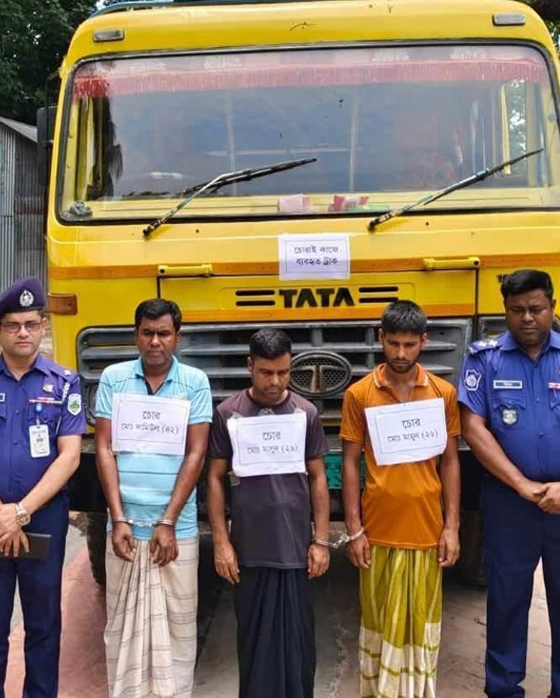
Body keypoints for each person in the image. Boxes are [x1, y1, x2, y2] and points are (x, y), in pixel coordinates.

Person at [457, 268, 560, 698]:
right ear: (505, 312)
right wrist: (519, 484)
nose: (527, 318)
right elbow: (473, 427)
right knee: (507, 598)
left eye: (536, 309)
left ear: (551, 306)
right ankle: (503, 687)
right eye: (516, 311)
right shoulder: (484, 359)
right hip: (509, 503)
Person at [0, 277, 84, 698]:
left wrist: (20, 512)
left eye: (31, 323)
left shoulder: (63, 383)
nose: (23, 332)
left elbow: (70, 457)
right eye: (13, 325)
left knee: (43, 622)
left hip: (42, 519)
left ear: (43, 326)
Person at [341, 300, 462, 697]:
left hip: (427, 531)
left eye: (410, 345)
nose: (400, 354)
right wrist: (354, 530)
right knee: (379, 625)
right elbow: (350, 464)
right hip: (378, 532)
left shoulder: (442, 394)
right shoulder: (360, 394)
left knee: (420, 624)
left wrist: (452, 527)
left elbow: (449, 463)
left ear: (424, 342)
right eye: (393, 343)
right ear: (381, 338)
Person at [94, 298, 213, 698]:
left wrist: (167, 521)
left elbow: (196, 453)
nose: (155, 342)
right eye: (147, 333)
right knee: (122, 628)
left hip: (174, 530)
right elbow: (105, 447)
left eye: (164, 333)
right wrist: (118, 518)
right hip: (125, 528)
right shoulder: (113, 378)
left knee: (178, 628)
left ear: (178, 337)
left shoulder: (195, 383)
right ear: (136, 336)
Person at [205, 328, 330, 698]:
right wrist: (221, 543)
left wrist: (321, 541)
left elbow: (319, 478)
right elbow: (214, 479)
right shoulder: (229, 413)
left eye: (283, 372)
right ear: (250, 366)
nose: (275, 382)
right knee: (255, 645)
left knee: (298, 648)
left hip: (294, 549)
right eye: (266, 372)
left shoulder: (305, 413)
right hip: (249, 551)